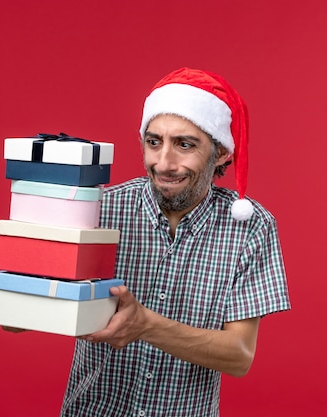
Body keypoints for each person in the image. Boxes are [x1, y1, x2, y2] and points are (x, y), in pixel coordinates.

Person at [58, 67, 291, 416]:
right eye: (154, 142)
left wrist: (147, 325)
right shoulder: (100, 208)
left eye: (184, 144)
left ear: (222, 152)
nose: (164, 163)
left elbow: (239, 355)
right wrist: (22, 304)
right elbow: (50, 293)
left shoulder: (251, 228)